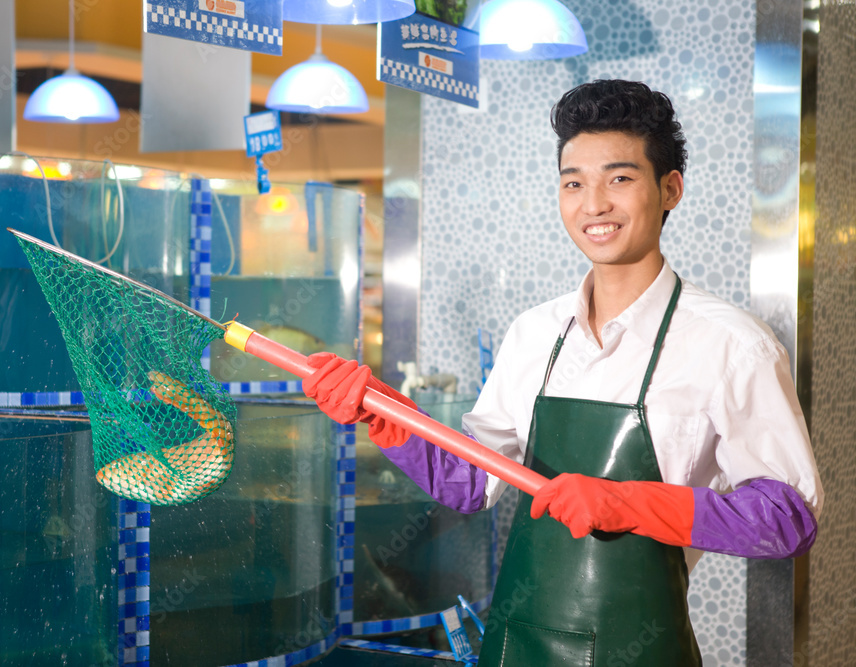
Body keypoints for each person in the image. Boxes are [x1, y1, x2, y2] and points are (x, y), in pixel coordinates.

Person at [302, 79, 822, 666]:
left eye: (619, 179)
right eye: (573, 182)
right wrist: (381, 409)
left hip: (641, 649)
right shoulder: (535, 333)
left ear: (670, 188)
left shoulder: (733, 344)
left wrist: (623, 503)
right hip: (518, 641)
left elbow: (786, 519)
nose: (593, 203)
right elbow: (470, 483)